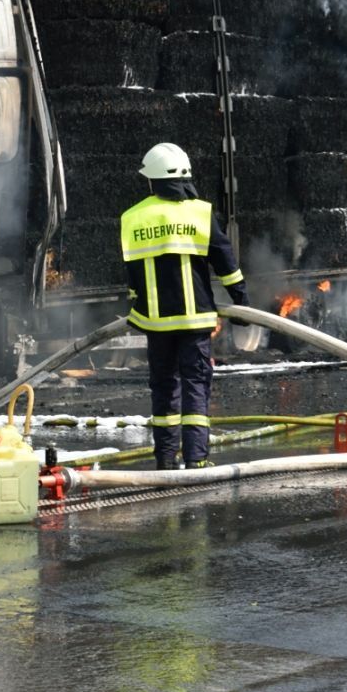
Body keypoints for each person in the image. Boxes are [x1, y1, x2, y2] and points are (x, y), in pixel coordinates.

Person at [119, 142, 249, 470]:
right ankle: (197, 460)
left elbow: (133, 273)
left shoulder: (133, 217)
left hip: (155, 323)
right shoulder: (200, 213)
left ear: (152, 180)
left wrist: (135, 305)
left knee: (164, 388)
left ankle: (165, 459)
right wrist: (240, 298)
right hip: (195, 322)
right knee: (196, 386)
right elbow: (225, 260)